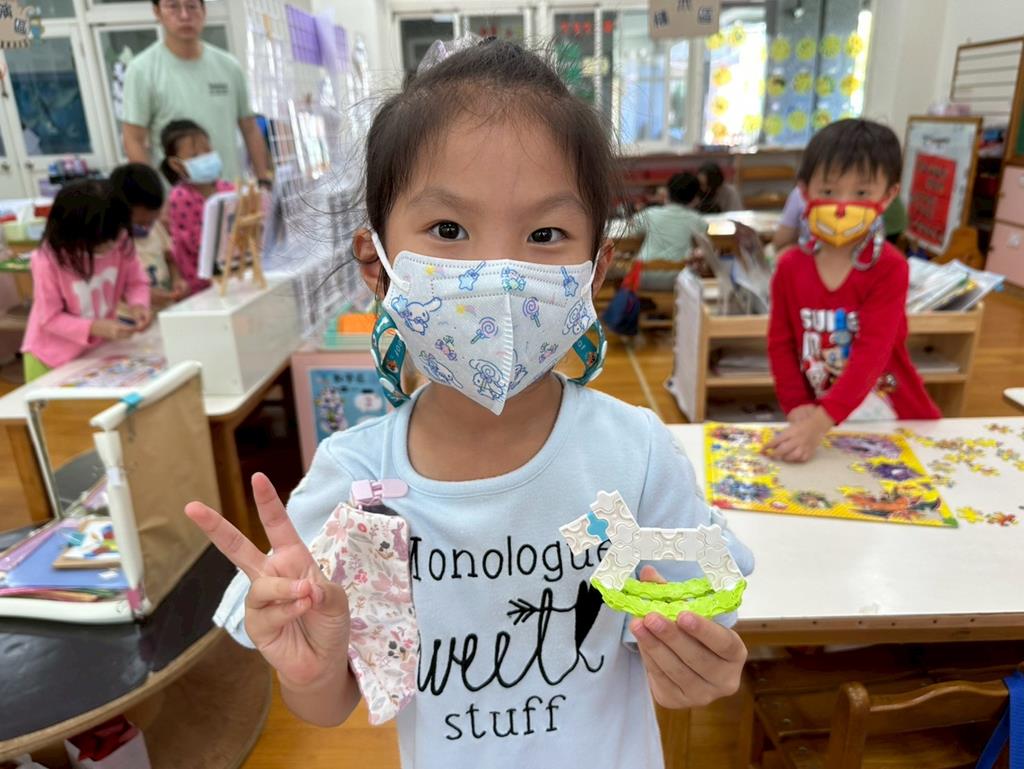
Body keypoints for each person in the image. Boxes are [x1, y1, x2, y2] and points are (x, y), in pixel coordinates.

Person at [186, 39, 753, 769]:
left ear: (595, 270)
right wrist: (309, 667)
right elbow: (329, 704)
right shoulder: (357, 483)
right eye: (448, 230)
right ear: (377, 266)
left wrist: (704, 663)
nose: (499, 273)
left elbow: (703, 617)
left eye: (545, 234)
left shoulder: (635, 455)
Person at [767, 119, 940, 463]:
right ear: (804, 191)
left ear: (888, 195)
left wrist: (819, 422)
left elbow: (872, 354)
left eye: (861, 193)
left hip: (894, 416)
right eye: (828, 191)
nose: (843, 205)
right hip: (822, 420)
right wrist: (796, 404)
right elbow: (780, 344)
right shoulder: (789, 268)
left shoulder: (889, 267)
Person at [121, 0, 271, 187]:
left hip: (230, 192)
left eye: (192, 6)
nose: (184, 15)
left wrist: (263, 179)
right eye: (173, 6)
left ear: (204, 11)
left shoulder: (229, 66)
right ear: (157, 12)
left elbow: (249, 128)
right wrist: (153, 195)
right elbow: (133, 139)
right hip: (175, 197)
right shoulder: (141, 70)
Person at [20, 180, 151, 382]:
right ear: (73, 233)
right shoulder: (47, 260)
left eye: (116, 236)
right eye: (102, 242)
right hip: (49, 357)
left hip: (95, 352)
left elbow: (136, 281)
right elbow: (50, 318)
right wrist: (95, 327)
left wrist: (139, 305)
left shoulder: (118, 238)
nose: (112, 245)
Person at [159, 119, 234, 295]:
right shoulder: (180, 197)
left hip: (233, 272)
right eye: (194, 156)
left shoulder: (228, 188)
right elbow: (197, 244)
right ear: (176, 164)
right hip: (200, 285)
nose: (204, 158)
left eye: (207, 151)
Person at [109, 162, 187, 308]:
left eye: (152, 220)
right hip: (132, 316)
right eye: (140, 223)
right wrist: (140, 294)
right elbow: (111, 288)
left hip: (165, 309)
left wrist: (177, 280)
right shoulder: (111, 243)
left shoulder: (156, 228)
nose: (146, 227)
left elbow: (170, 259)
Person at [633, 172, 708, 290]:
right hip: (677, 278)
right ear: (695, 198)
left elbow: (633, 231)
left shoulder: (650, 213)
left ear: (667, 193)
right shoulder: (697, 220)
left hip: (643, 276)